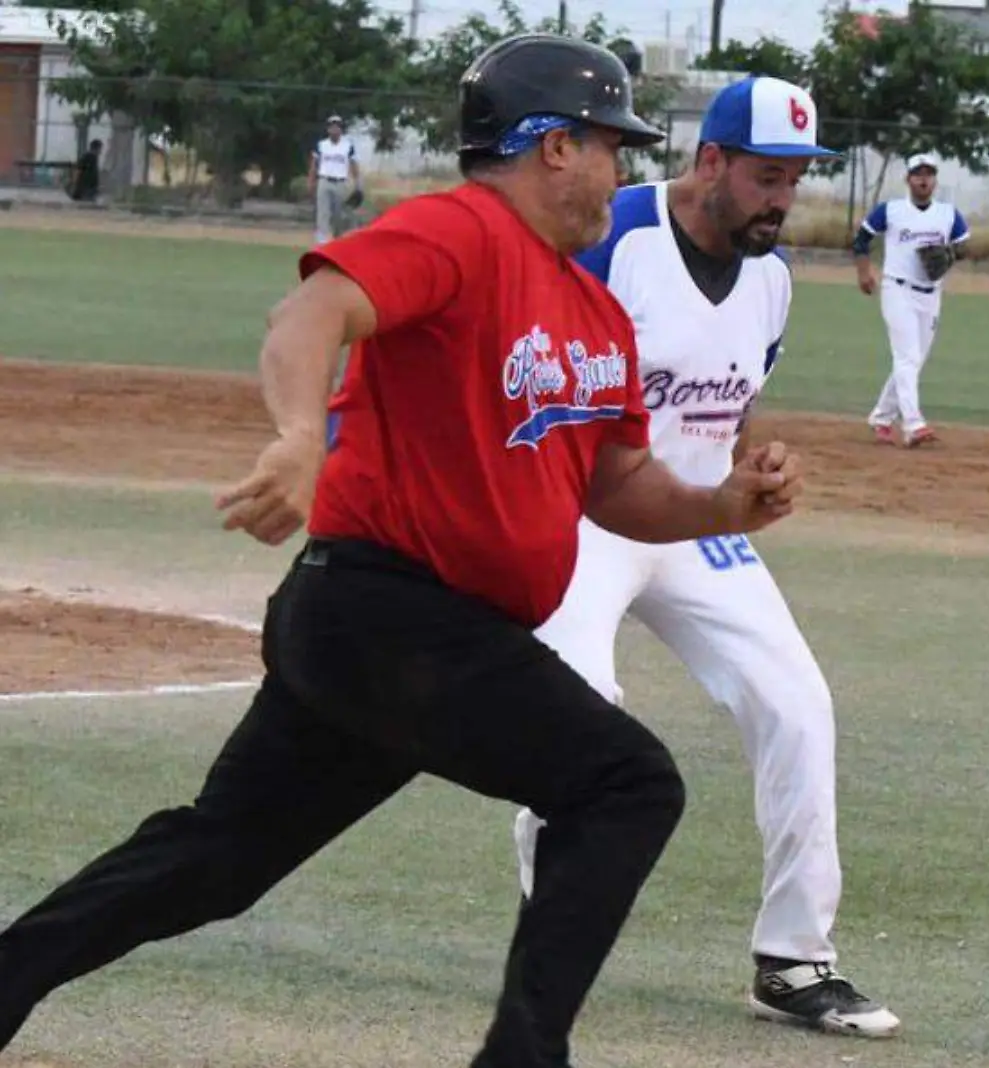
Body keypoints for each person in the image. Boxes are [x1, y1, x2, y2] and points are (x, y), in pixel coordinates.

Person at [0, 34, 807, 1068]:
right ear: (552, 146)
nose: (622, 167)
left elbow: (615, 487)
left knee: (216, 858)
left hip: (406, 639)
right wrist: (298, 436)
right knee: (626, 783)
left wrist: (722, 505)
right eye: (612, 143)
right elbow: (313, 310)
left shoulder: (595, 312)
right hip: (390, 611)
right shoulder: (459, 232)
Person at [511, 74, 901, 1041]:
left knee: (799, 705)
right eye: (769, 176)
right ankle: (555, 943)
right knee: (580, 718)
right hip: (582, 520)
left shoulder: (771, 276)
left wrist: (754, 466)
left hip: (694, 521)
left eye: (797, 180)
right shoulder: (618, 238)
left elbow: (727, 409)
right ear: (712, 161)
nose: (784, 199)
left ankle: (795, 959)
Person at [852, 151, 969, 448]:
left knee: (913, 361)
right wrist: (864, 273)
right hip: (897, 290)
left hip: (931, 294)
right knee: (906, 357)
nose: (924, 179)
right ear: (908, 179)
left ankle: (881, 417)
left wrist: (949, 255)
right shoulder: (890, 210)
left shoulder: (948, 214)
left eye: (929, 174)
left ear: (935, 180)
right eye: (918, 174)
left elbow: (964, 246)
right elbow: (861, 239)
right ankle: (913, 424)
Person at [310, 114, 362, 244]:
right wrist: (311, 181)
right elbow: (314, 164)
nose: (334, 130)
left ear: (341, 129)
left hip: (340, 183)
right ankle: (322, 244)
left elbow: (353, 164)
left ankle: (337, 241)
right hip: (324, 181)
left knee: (339, 215)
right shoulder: (322, 145)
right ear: (328, 130)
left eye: (337, 127)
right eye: (332, 127)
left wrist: (357, 183)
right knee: (322, 214)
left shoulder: (347, 146)